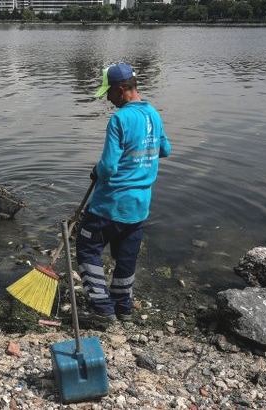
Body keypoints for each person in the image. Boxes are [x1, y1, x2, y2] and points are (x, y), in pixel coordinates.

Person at [76, 62, 171, 327]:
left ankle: (102, 309)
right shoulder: (153, 114)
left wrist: (96, 170)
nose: (107, 99)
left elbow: (107, 168)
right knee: (126, 256)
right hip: (139, 206)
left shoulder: (120, 119)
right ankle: (123, 307)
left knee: (87, 248)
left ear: (120, 90)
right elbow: (165, 150)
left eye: (109, 93)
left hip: (110, 204)